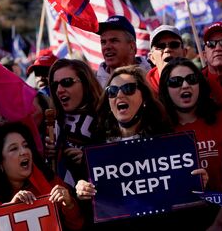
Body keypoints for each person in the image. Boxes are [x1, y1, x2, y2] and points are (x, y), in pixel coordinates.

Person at [75, 65, 207, 229]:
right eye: (112, 91)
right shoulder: (95, 148)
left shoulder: (166, 140)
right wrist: (82, 190)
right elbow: (91, 209)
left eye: (128, 89)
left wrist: (197, 184)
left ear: (144, 97)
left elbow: (184, 203)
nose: (120, 94)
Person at [158, 58, 222, 230]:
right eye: (176, 82)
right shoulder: (157, 129)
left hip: (219, 216)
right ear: (165, 89)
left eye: (192, 79)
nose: (185, 85)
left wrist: (220, 221)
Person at [0, 123, 83, 230]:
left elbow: (77, 226)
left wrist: (69, 205)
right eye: (14, 149)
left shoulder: (50, 181)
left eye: (26, 145)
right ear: (0, 163)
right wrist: (11, 210)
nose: (24, 152)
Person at [146, 25, 222, 119]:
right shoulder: (143, 91)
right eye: (160, 46)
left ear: (185, 53)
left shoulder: (204, 82)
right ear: (152, 58)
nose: (167, 49)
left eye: (174, 45)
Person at [46, 59, 102, 186]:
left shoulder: (105, 116)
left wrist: (88, 159)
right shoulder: (53, 121)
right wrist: (51, 154)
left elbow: (118, 160)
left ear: (86, 83)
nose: (59, 90)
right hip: (67, 198)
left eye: (67, 82)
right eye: (55, 85)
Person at [96, 15, 151, 86]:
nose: (107, 46)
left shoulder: (155, 80)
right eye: (103, 42)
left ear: (132, 47)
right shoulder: (92, 87)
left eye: (114, 41)